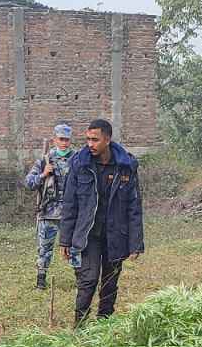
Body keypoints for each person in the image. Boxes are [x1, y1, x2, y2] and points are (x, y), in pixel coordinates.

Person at [58, 117, 143, 326]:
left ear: (107, 139)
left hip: (116, 234)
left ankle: (104, 325)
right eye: (87, 139)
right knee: (88, 280)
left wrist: (136, 244)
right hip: (89, 235)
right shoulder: (79, 164)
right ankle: (80, 326)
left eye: (94, 140)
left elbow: (134, 207)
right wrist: (65, 240)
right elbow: (70, 204)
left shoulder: (126, 166)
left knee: (110, 282)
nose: (90, 144)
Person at [23, 123, 78, 289]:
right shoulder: (44, 160)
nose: (64, 143)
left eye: (67, 140)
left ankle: (81, 280)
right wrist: (43, 174)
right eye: (61, 139)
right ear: (54, 139)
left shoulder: (77, 159)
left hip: (70, 215)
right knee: (44, 249)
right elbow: (29, 183)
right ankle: (41, 280)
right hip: (48, 214)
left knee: (76, 248)